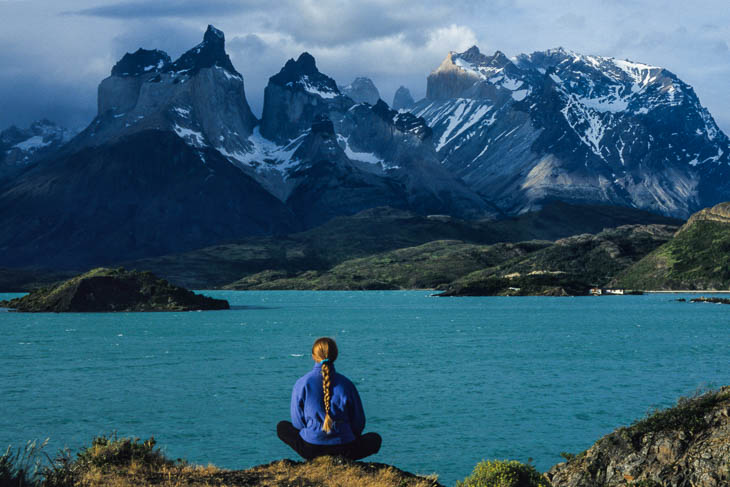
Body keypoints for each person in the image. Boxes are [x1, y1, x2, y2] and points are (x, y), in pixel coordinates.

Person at [277, 337, 382, 460]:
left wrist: (313, 432)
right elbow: (358, 423)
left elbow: (297, 423)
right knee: (375, 438)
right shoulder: (346, 384)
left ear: (313, 356)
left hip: (311, 448)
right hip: (345, 449)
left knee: (282, 427)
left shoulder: (302, 383)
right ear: (335, 356)